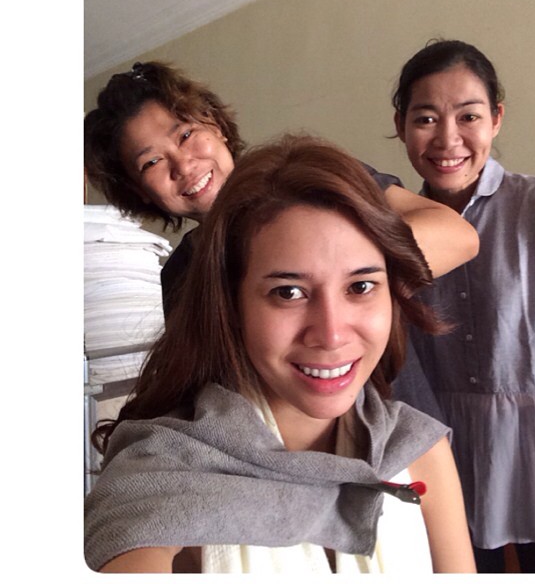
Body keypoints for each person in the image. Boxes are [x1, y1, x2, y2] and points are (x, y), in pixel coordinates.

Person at [84, 134, 477, 574]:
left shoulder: (419, 450)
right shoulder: (160, 480)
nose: (331, 334)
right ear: (230, 306)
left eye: (361, 286)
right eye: (288, 292)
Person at [84, 61, 479, 319]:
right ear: (138, 190)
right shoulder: (177, 281)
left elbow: (456, 236)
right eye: (151, 162)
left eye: (186, 135)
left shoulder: (311, 175)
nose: (183, 165)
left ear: (216, 126)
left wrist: (318, 280)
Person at [391, 39, 535, 573]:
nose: (447, 139)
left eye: (468, 116)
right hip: (442, 449)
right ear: (400, 125)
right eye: (425, 118)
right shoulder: (387, 231)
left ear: (496, 119)